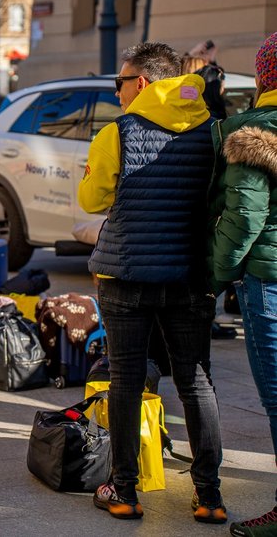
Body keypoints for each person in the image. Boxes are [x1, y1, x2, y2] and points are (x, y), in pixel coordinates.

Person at [79, 42, 226, 523]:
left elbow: (92, 199)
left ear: (141, 82)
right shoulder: (212, 131)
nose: (116, 92)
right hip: (190, 276)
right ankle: (209, 497)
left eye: (119, 82)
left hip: (127, 274)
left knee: (125, 378)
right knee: (196, 381)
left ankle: (123, 491)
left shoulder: (117, 133)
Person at [209, 32, 277, 537]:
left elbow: (244, 220)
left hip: (270, 283)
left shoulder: (253, 133)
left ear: (262, 77)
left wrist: (214, 277)